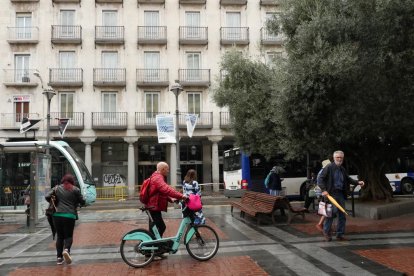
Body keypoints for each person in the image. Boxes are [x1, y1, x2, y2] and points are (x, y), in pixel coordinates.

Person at [318, 151, 365, 241]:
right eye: (337, 157)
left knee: (342, 215)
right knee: (331, 213)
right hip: (331, 194)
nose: (339, 159)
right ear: (334, 158)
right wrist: (324, 190)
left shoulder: (342, 169)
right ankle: (326, 232)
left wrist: (358, 182)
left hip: (340, 194)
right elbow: (320, 179)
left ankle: (340, 234)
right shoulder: (329, 167)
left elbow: (347, 179)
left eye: (341, 158)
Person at [45, 174, 85, 265]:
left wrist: (55, 201)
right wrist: (79, 203)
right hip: (69, 216)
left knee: (60, 237)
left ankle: (59, 258)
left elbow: (47, 196)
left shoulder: (56, 188)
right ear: (72, 181)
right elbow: (82, 201)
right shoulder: (75, 189)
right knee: (68, 236)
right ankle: (66, 249)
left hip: (57, 215)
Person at [146, 162, 187, 239]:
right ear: (163, 169)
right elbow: (166, 189)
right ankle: (153, 246)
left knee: (158, 228)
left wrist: (170, 199)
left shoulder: (157, 177)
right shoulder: (158, 178)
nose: (168, 171)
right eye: (167, 169)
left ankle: (155, 244)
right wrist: (181, 196)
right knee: (158, 228)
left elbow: (160, 192)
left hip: (154, 206)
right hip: (153, 207)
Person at [315, 159, 331, 232]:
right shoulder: (325, 172)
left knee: (325, 209)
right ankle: (320, 224)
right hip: (324, 193)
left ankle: (324, 225)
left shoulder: (321, 171)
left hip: (320, 193)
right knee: (328, 209)